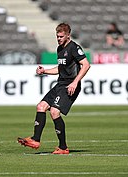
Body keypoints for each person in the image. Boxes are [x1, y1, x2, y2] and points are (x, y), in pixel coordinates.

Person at [17, 23, 90, 154]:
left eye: (61, 36)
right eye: (57, 36)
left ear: (68, 35)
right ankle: (35, 139)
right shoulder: (59, 49)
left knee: (54, 112)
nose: (59, 39)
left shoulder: (74, 47)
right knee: (41, 106)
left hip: (70, 85)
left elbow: (86, 65)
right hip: (60, 84)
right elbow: (60, 69)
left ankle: (63, 147)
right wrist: (44, 71)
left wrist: (75, 82)